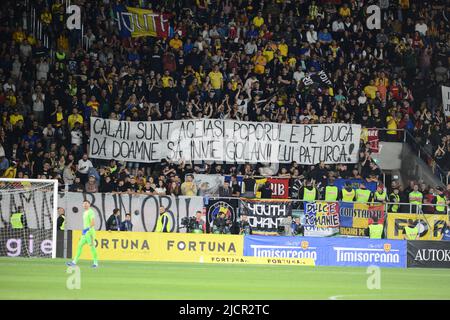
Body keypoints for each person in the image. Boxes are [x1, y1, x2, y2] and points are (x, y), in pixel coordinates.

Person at [66, 200, 99, 268]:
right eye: (84, 204)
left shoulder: (91, 212)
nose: (85, 205)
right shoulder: (84, 212)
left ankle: (95, 263)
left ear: (89, 204)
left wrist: (87, 229)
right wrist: (84, 230)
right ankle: (74, 262)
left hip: (90, 233)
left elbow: (93, 223)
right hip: (85, 233)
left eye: (86, 203)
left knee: (92, 247)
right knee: (79, 245)